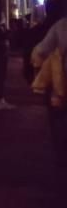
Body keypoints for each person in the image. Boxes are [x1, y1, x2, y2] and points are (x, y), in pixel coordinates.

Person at [30, 14, 67, 166]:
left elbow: (42, 50)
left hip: (63, 81)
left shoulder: (62, 25)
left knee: (58, 119)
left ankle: (62, 156)